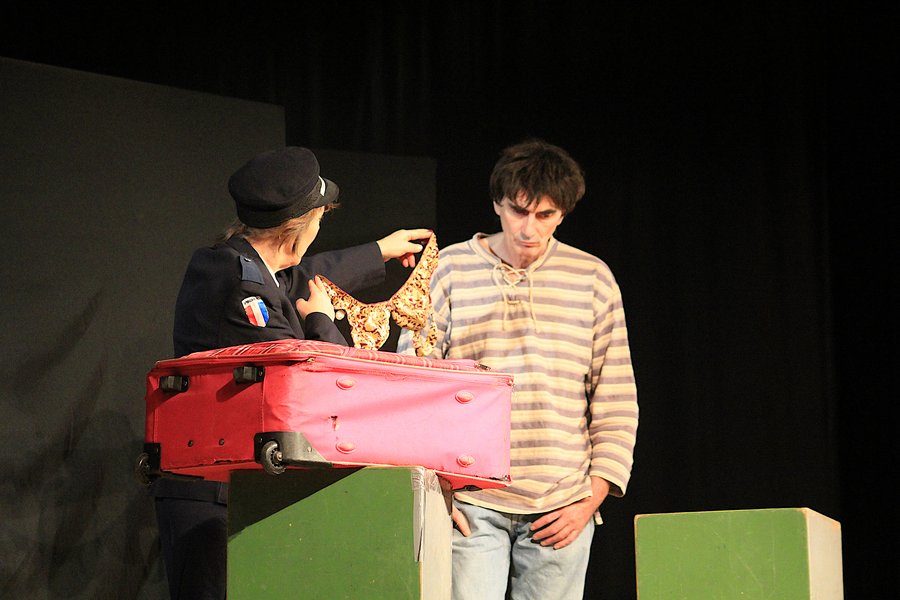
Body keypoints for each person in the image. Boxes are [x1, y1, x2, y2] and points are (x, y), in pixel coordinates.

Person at [149, 146, 432, 600]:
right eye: (319, 221)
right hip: (216, 498)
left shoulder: (241, 262)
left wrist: (380, 251)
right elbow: (314, 379)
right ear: (296, 232)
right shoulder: (241, 289)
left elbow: (308, 272)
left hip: (236, 488)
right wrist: (321, 320)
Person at [398, 138, 638, 600]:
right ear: (497, 203)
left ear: (563, 214)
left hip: (561, 500)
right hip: (470, 497)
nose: (529, 228)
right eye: (518, 211)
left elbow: (616, 394)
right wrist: (430, 486)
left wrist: (593, 495)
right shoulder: (449, 268)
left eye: (545, 215)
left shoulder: (592, 278)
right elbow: (415, 381)